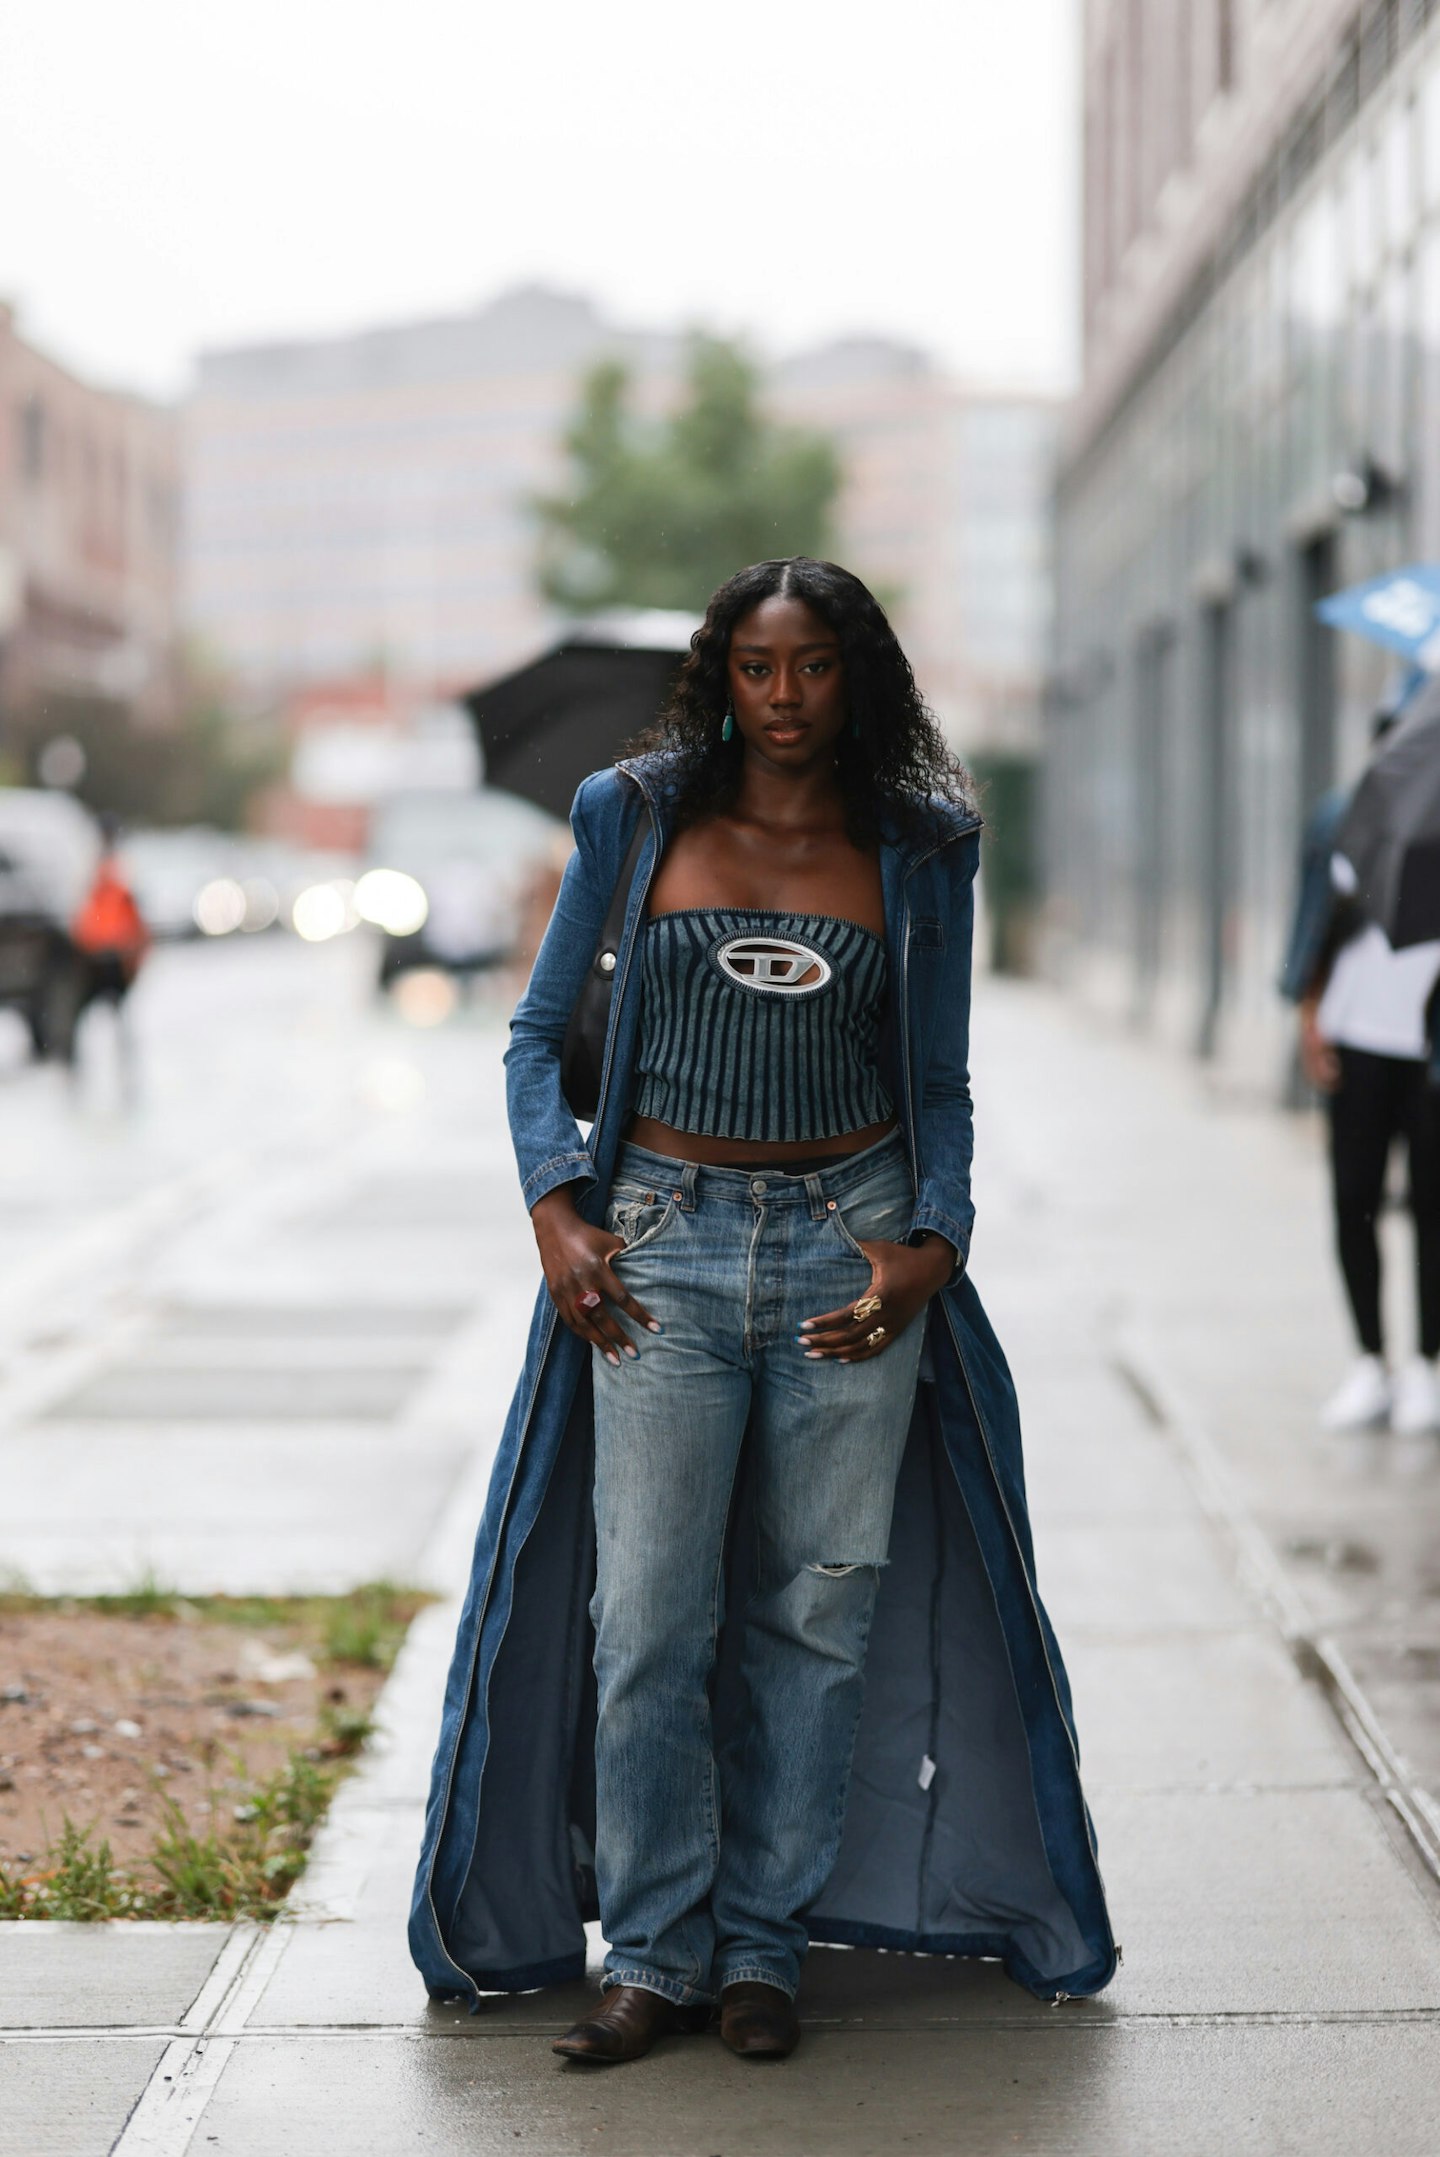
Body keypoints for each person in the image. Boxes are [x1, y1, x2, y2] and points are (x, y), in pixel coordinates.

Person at [409, 559, 1116, 2062]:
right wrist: (556, 1211)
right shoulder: (636, 813)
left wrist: (934, 1240)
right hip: (656, 1249)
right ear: (718, 676)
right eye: (754, 668)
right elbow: (537, 1039)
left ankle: (762, 1948)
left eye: (811, 669)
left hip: (846, 1257)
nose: (783, 699)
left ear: (860, 676)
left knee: (818, 1618)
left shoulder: (924, 847)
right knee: (648, 1619)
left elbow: (938, 1084)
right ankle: (653, 1951)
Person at [1284, 683, 1440, 1433]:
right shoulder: (1343, 819)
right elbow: (1315, 923)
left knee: (1433, 1209)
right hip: (1357, 1041)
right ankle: (1370, 1361)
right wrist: (1311, 1018)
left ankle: (1426, 1366)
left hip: (1428, 1049)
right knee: (1355, 1200)